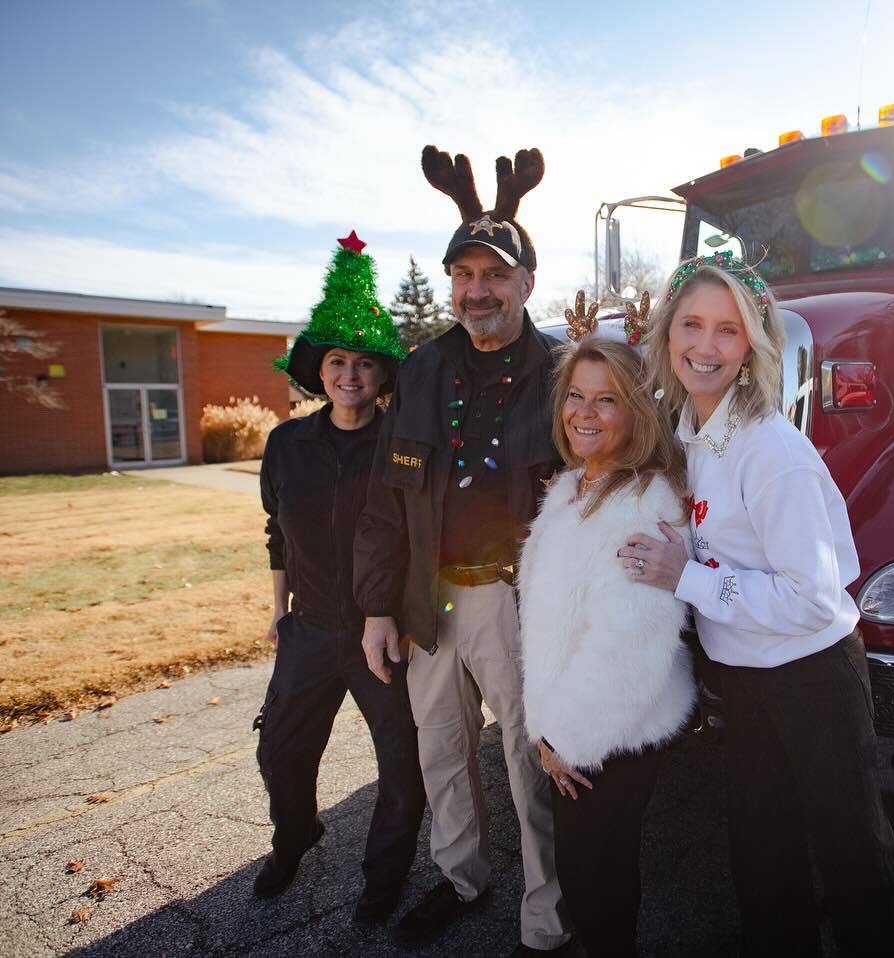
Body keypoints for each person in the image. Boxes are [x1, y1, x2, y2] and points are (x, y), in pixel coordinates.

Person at [618, 251, 894, 957]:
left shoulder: (769, 451)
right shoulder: (692, 435)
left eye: (727, 330)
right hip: (746, 677)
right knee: (763, 854)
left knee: (853, 859)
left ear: (752, 345)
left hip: (812, 675)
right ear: (667, 333)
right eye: (692, 324)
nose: (705, 345)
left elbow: (811, 599)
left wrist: (685, 577)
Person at [354, 146, 573, 956]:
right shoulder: (421, 370)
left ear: (526, 283)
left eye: (495, 275)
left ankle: (548, 918)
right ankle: (461, 880)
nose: (477, 290)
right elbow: (385, 497)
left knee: (530, 763)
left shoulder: (563, 373)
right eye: (464, 275)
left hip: (517, 604)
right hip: (427, 600)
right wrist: (378, 606)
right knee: (442, 753)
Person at [252, 231, 426, 922]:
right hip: (311, 628)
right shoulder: (286, 445)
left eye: (363, 363)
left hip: (384, 634)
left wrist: (409, 617)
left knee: (402, 764)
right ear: (319, 372)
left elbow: (420, 538)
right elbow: (277, 532)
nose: (350, 374)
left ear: (382, 375)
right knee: (280, 750)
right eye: (337, 362)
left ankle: (385, 875)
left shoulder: (403, 447)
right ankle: (294, 836)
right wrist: (277, 610)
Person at [519, 327, 694, 958]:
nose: (584, 413)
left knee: (598, 878)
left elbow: (628, 648)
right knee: (585, 872)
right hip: (568, 725)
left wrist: (565, 737)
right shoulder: (573, 487)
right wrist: (547, 725)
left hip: (607, 730)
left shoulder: (643, 505)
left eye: (607, 399)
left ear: (637, 411)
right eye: (576, 395)